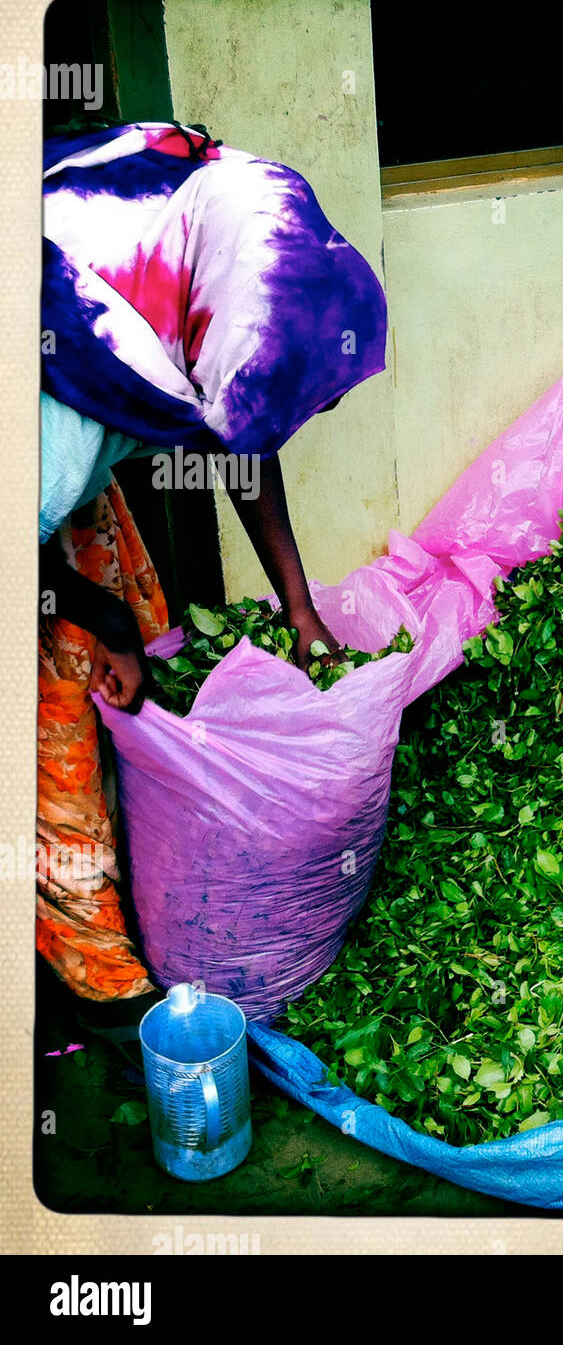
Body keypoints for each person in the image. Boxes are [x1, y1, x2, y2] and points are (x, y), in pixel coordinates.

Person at [37, 122, 387, 1019]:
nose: (334, 403)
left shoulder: (211, 227)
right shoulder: (62, 409)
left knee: (137, 647)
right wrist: (100, 624)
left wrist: (300, 606)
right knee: (65, 725)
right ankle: (101, 976)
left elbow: (241, 433)